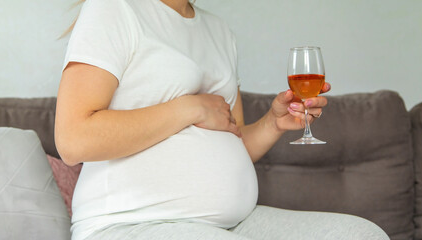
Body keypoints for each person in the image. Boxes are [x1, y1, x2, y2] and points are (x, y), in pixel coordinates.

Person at [54, 0, 390, 239]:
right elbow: (73, 140)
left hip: (232, 224)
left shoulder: (218, 29)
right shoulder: (115, 9)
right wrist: (190, 108)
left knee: (363, 235)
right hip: (130, 224)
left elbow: (235, 139)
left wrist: (273, 123)